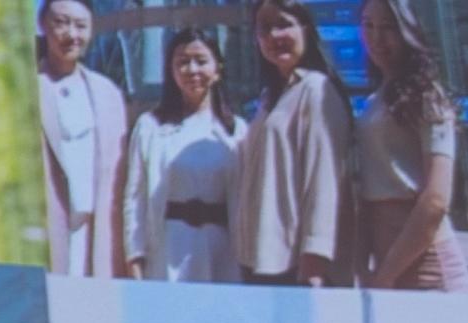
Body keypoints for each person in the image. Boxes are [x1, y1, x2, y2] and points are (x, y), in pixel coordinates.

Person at [236, 0, 358, 286]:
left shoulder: (316, 89)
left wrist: (314, 263)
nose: (274, 36)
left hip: (297, 267)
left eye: (283, 24)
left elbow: (324, 179)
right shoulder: (270, 98)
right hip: (260, 259)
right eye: (264, 29)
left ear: (306, 28)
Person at [354, 0, 468, 291]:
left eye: (388, 27)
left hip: (428, 263)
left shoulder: (428, 96)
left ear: (407, 30)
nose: (376, 38)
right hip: (388, 264)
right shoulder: (374, 100)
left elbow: (436, 200)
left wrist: (385, 274)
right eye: (368, 25)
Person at [120, 29, 242, 284]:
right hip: (169, 248)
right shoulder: (151, 126)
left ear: (217, 68)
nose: (192, 70)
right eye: (182, 62)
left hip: (221, 251)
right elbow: (135, 198)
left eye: (201, 60)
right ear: (171, 71)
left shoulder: (236, 131)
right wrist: (135, 257)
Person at [39, 0, 126, 275]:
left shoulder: (107, 93)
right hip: (48, 236)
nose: (71, 34)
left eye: (80, 26)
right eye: (61, 23)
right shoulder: (28, 86)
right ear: (43, 25)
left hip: (96, 237)